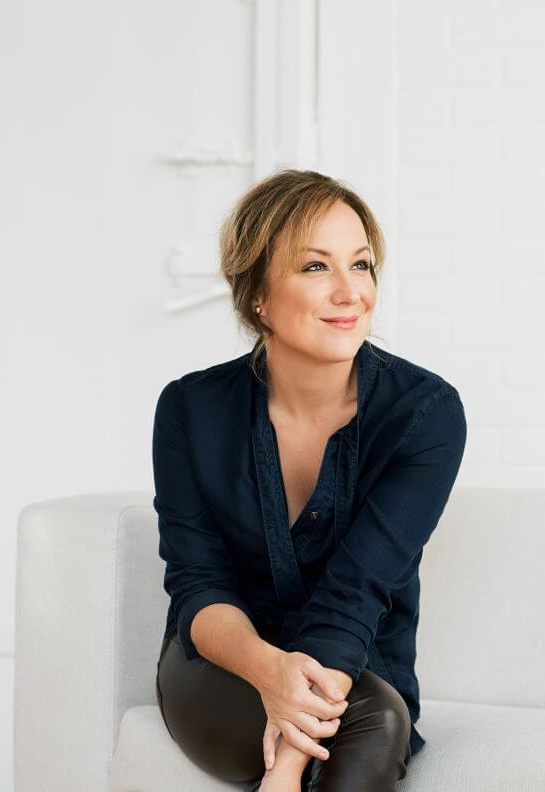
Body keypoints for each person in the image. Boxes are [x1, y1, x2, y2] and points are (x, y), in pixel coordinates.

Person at [152, 168, 467, 791]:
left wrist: (288, 769)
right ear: (258, 295)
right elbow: (197, 582)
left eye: (362, 264)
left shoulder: (424, 414)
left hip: (359, 670)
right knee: (350, 726)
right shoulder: (191, 409)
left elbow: (356, 594)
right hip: (227, 664)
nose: (351, 293)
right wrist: (270, 672)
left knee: (375, 724)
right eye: (316, 267)